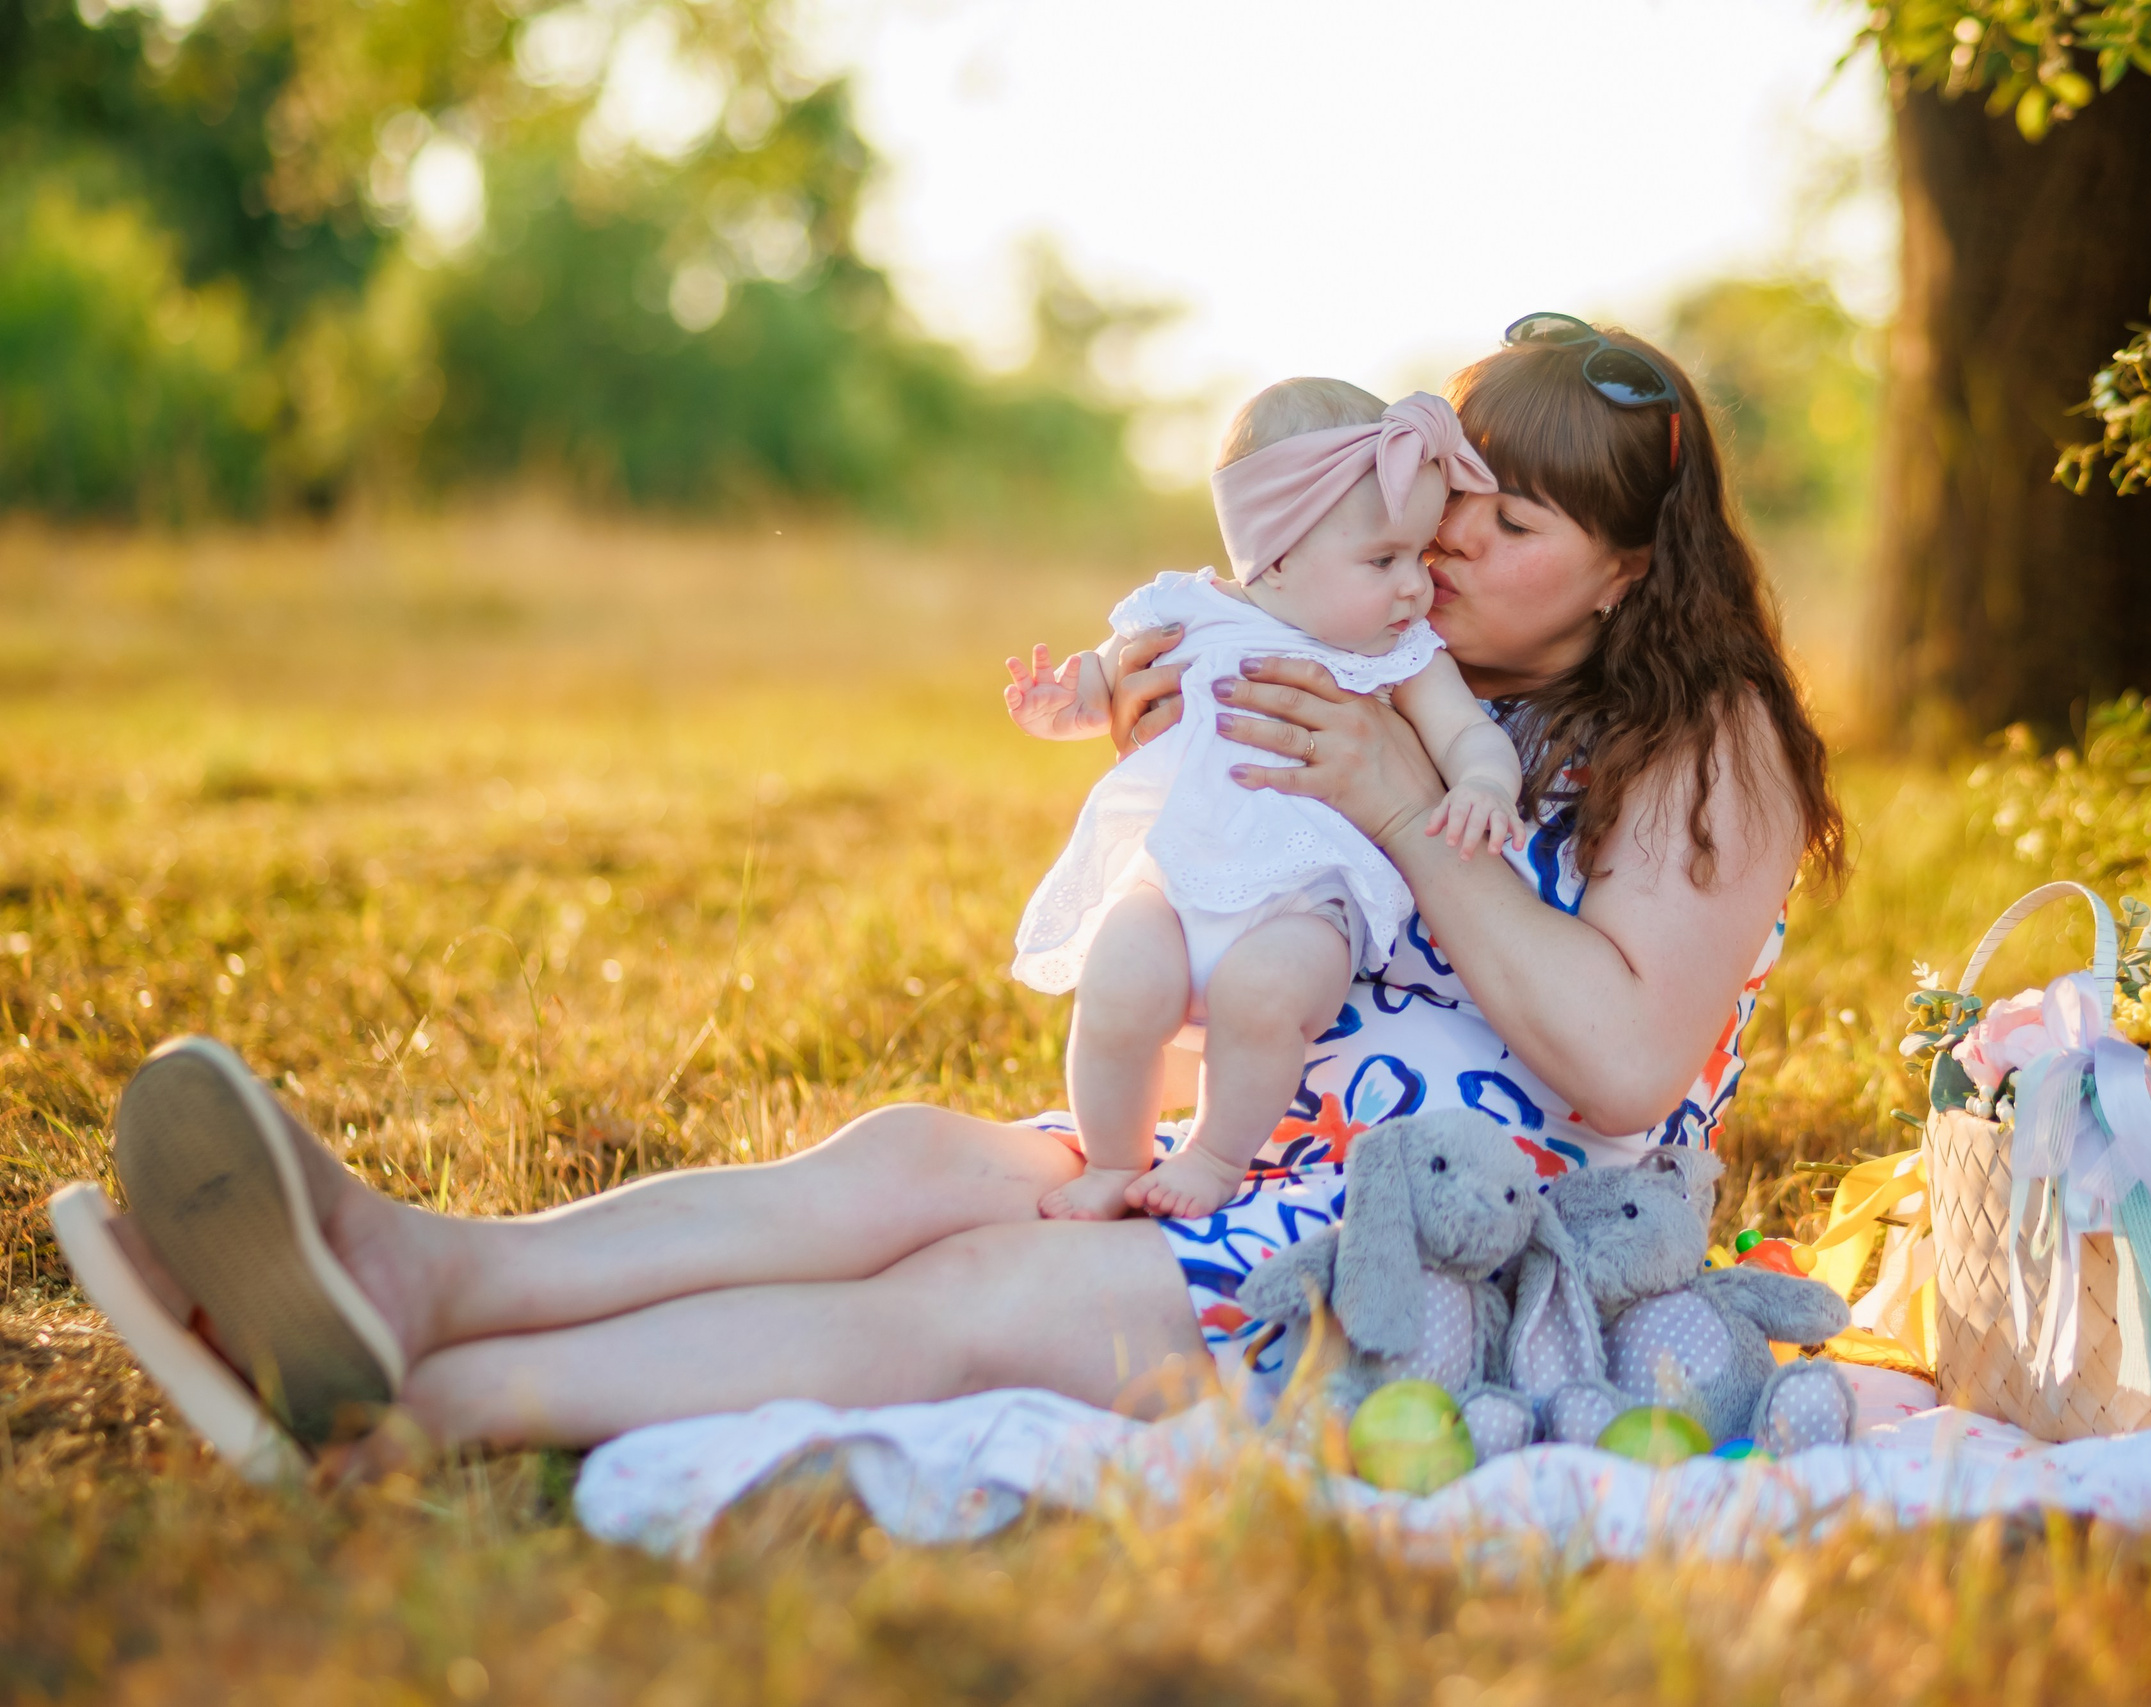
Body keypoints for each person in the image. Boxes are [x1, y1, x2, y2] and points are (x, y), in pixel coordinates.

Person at [50, 313, 1847, 1471]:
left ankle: (407, 1410)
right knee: (909, 1157)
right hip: (1250, 1133)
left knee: (980, 1296)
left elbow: (1619, 1062)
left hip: (1454, 1248)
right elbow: (1254, 846)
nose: (1448, 545)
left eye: (1513, 530)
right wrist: (1174, 738)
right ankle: (412, 1269)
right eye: (1446, 497)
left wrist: (1388, 791)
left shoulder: (1712, 743)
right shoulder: (1416, 666)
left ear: (1629, 569)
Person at [1007, 379, 1522, 1222]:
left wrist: (1484, 781)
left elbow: (1466, 729)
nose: (1416, 588)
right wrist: (1067, 705)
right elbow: (1108, 682)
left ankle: (1213, 1155)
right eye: (1384, 560)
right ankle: (1111, 1159)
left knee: (1266, 996)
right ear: (1275, 558)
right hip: (1172, 878)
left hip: (1307, 898)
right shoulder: (1186, 609)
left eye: (1421, 556)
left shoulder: (1401, 652)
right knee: (1117, 978)